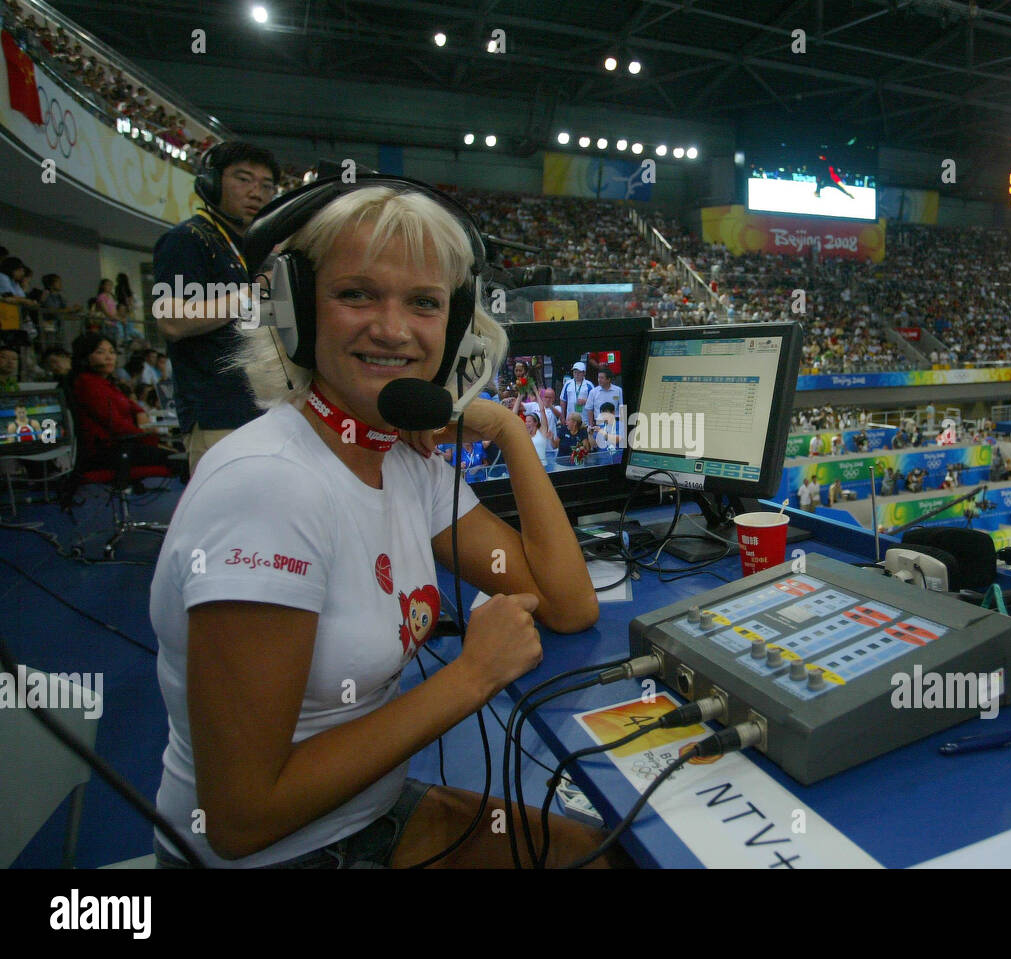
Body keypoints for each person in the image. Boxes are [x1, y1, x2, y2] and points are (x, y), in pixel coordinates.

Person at [148, 181, 610, 869]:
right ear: (297, 310)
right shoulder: (269, 486)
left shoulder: (402, 460)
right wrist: (471, 676)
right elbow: (239, 819)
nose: (393, 329)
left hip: (370, 814)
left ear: (452, 329)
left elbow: (566, 602)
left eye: (424, 303)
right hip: (280, 857)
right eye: (356, 294)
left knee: (609, 854)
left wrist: (508, 428)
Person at [152, 140, 281, 473]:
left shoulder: (254, 249)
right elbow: (171, 320)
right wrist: (250, 295)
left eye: (266, 186)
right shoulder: (189, 238)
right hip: (218, 413)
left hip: (267, 406)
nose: (257, 193)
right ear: (212, 183)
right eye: (243, 179)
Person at [68, 332, 177, 474]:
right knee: (180, 459)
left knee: (180, 453)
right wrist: (149, 437)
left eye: (112, 352)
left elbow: (131, 405)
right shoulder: (87, 384)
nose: (109, 357)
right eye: (101, 352)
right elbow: (115, 424)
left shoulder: (107, 383)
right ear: (85, 357)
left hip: (127, 444)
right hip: (110, 451)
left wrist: (140, 412)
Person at [585, 366, 622, 430]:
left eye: (602, 378)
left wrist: (622, 425)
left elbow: (621, 407)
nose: (599, 380)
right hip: (599, 424)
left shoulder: (618, 390)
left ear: (608, 379)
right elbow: (589, 409)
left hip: (614, 423)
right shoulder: (593, 392)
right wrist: (591, 426)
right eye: (598, 377)